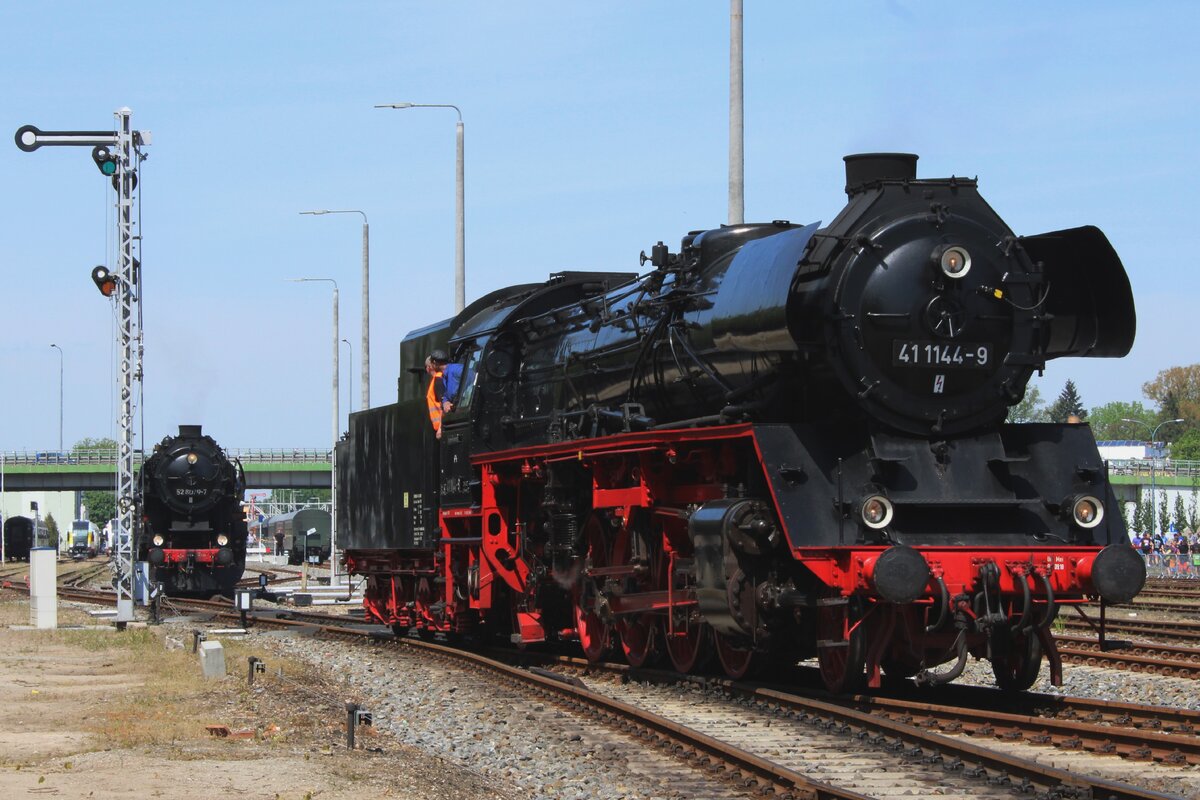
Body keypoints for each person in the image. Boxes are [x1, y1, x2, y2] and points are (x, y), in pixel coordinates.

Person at [425, 349, 463, 439]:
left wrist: (440, 428)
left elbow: (441, 402)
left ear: (431, 365)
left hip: (445, 425)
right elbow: (445, 398)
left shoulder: (438, 379)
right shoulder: (444, 376)